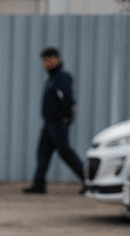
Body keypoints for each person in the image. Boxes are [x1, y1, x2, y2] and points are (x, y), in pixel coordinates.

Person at [23, 47, 85, 195]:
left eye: (49, 59)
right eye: (44, 61)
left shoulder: (61, 77)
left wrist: (65, 117)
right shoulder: (52, 78)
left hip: (57, 123)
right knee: (43, 152)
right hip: (49, 123)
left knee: (65, 152)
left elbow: (67, 99)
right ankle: (39, 184)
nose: (46, 63)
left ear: (57, 59)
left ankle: (88, 181)